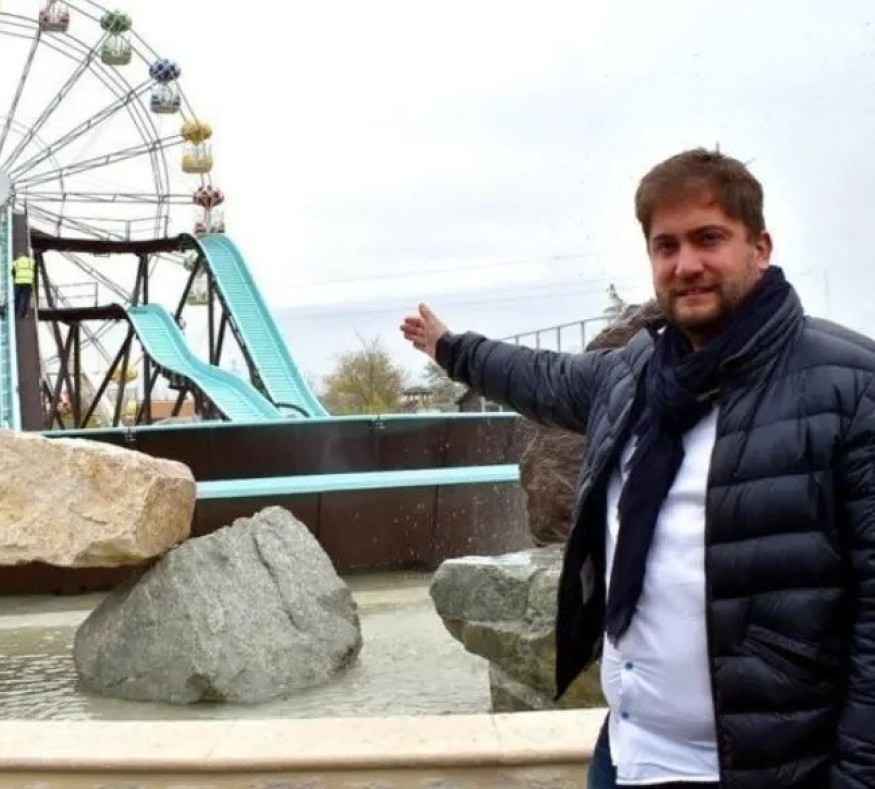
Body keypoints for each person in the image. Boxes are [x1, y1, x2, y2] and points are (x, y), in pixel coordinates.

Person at [400, 148, 875, 789]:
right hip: (626, 752)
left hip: (762, 769)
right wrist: (450, 348)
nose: (686, 265)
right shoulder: (635, 376)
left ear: (760, 248)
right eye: (666, 246)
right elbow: (540, 377)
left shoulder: (850, 388)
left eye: (709, 239)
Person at [11, 252, 35, 319]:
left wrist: (15, 278)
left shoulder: (16, 262)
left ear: (19, 257)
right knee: (25, 298)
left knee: (17, 297)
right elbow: (33, 272)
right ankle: (23, 314)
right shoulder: (31, 262)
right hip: (27, 282)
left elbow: (12, 272)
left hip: (18, 282)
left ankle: (15, 311)